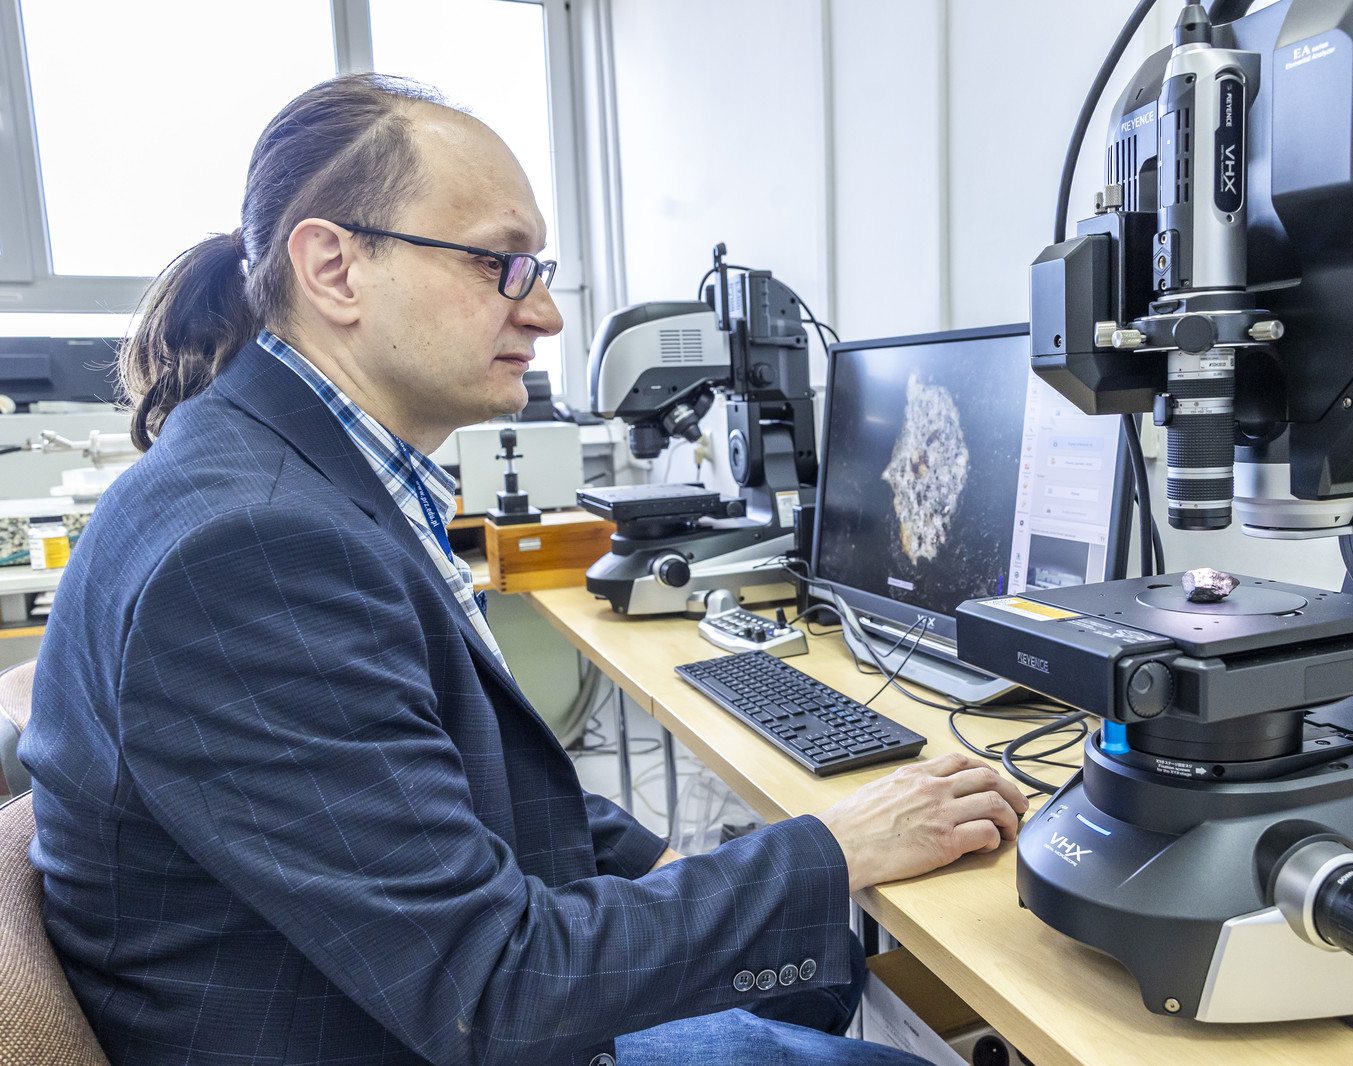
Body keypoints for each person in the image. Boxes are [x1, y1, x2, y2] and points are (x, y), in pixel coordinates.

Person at [20, 74, 1029, 1066]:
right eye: (498, 264)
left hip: (386, 994)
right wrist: (834, 847)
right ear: (333, 268)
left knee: (822, 970)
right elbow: (495, 995)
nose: (544, 313)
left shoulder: (288, 477)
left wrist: (671, 865)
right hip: (415, 1029)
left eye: (537, 268)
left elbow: (445, 791)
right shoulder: (254, 550)